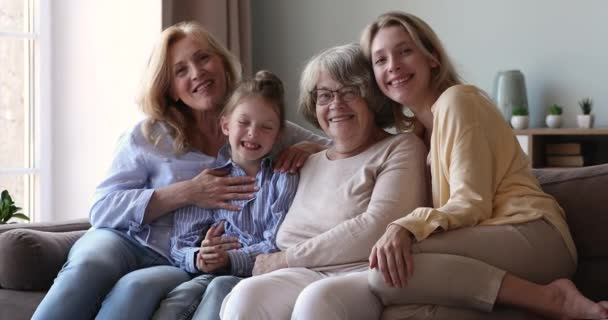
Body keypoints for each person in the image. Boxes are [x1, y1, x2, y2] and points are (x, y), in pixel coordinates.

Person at [32, 22, 327, 320]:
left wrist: (309, 150)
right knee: (89, 265)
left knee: (135, 288)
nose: (197, 73)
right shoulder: (147, 136)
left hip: (178, 259)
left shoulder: (254, 122)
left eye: (203, 58)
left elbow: (340, 146)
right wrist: (186, 193)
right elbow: (102, 210)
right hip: (124, 240)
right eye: (180, 70)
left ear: (223, 65)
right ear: (170, 88)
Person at [360, 11, 608, 319]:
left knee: (387, 271)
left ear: (432, 57)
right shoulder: (415, 138)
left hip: (532, 233)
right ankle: (527, 305)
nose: (393, 65)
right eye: (380, 60)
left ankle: (554, 299)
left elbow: (470, 204)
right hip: (488, 252)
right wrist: (305, 146)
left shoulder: (457, 101)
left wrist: (405, 227)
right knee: (403, 309)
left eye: (405, 51)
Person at [220, 43, 428, 320]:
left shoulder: (400, 147)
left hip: (360, 271)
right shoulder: (306, 159)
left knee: (316, 300)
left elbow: (376, 227)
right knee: (246, 295)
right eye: (325, 95)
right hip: (299, 273)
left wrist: (284, 259)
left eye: (350, 92)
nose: (336, 105)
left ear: (373, 97)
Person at [151, 70, 299, 320]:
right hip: (205, 273)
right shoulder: (209, 181)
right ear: (226, 125)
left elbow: (276, 242)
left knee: (219, 288)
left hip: (253, 274)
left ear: (278, 135)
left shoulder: (283, 178)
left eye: (266, 127)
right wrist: (200, 256)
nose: (253, 133)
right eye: (244, 123)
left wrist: (229, 259)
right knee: (177, 300)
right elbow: (180, 245)